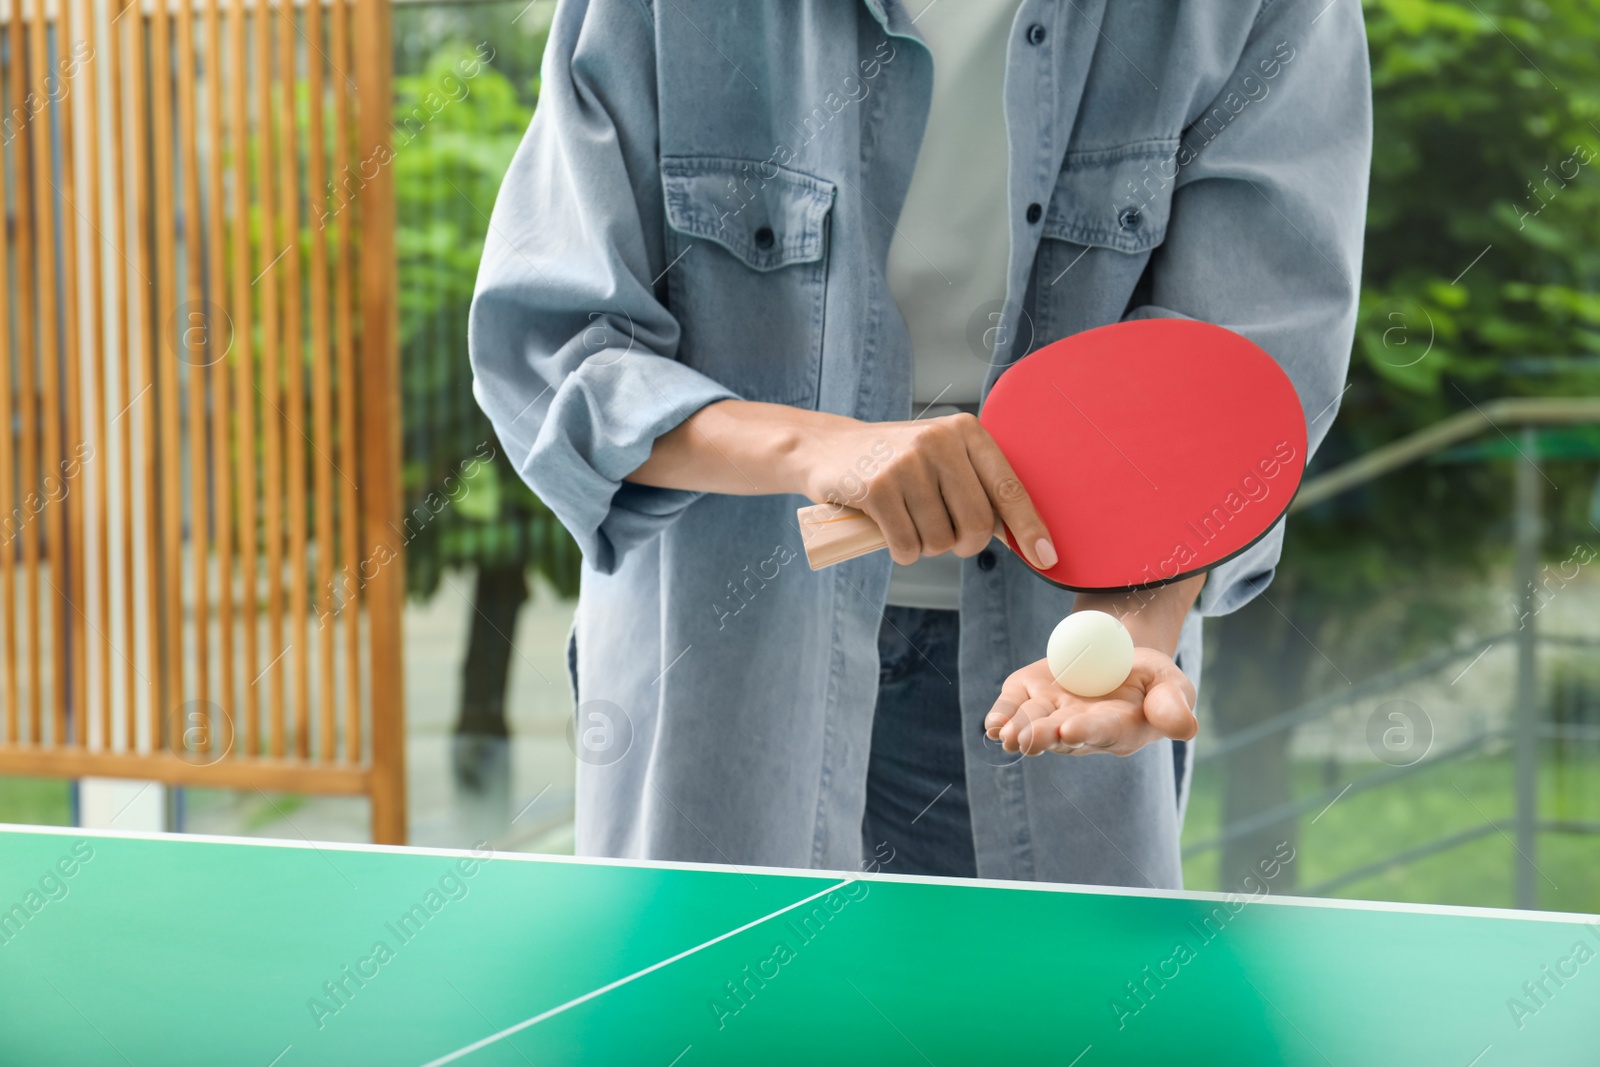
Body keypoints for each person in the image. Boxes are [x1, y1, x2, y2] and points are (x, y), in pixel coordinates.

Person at [469, 0, 1370, 886]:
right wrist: (817, 449)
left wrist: (1138, 623)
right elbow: (560, 344)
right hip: (721, 678)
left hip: (1049, 688)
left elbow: (1240, 382)